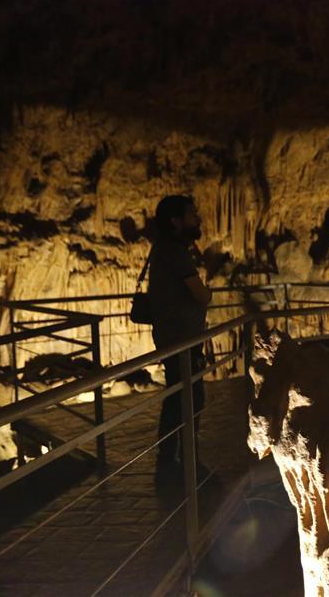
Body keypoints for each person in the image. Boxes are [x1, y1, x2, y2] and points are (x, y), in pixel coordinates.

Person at [147, 194, 212, 476]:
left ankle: (170, 458)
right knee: (190, 399)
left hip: (173, 336)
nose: (197, 218)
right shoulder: (175, 252)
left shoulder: (164, 249)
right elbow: (200, 293)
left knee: (176, 397)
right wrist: (207, 293)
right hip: (182, 339)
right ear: (175, 221)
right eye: (192, 213)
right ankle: (186, 463)